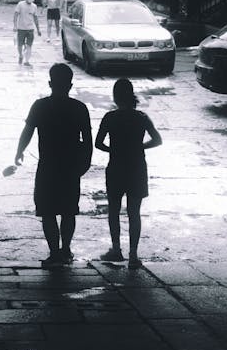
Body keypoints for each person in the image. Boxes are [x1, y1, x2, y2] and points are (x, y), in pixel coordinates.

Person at [14, 62, 92, 268]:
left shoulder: (40, 106)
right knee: (68, 211)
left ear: (50, 83)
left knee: (47, 211)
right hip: (70, 167)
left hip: (47, 166)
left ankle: (54, 252)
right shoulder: (79, 108)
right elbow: (88, 140)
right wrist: (85, 163)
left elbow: (27, 132)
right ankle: (66, 249)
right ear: (70, 85)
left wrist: (19, 152)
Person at [95, 78, 163, 269]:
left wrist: (115, 150)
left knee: (114, 210)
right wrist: (139, 146)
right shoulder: (141, 117)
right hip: (137, 167)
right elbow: (157, 140)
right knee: (134, 212)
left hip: (116, 166)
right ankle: (133, 255)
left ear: (115, 97)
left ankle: (116, 249)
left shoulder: (110, 117)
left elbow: (98, 143)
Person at [13, 0, 42, 65]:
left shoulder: (34, 6)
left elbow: (35, 18)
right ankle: (20, 55)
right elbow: (16, 15)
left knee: (29, 45)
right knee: (20, 45)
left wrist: (38, 29)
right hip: (21, 28)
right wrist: (15, 26)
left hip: (30, 29)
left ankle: (27, 61)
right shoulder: (20, 4)